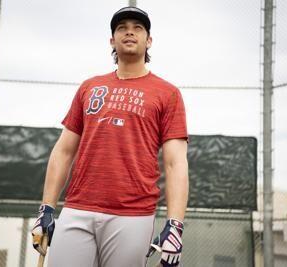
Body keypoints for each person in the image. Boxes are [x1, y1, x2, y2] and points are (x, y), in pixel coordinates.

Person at [31, 6, 189, 267]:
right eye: (122, 28)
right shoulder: (90, 87)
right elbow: (64, 150)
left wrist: (175, 225)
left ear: (149, 41)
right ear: (112, 40)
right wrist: (46, 208)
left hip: (132, 215)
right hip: (78, 208)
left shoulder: (168, 93)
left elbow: (176, 163)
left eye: (138, 28)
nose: (129, 32)